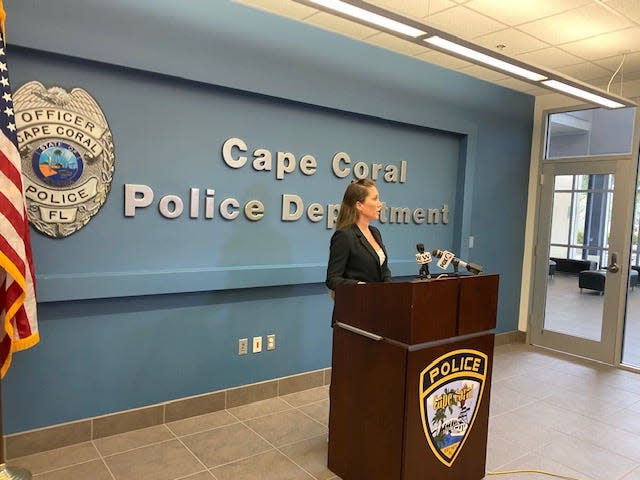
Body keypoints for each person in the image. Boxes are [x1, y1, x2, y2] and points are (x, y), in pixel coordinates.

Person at [326, 179, 392, 297]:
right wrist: (360, 286)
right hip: (356, 307)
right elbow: (333, 279)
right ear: (359, 205)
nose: (380, 203)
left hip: (378, 304)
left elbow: (383, 269)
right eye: (375, 199)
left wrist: (388, 288)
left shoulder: (375, 232)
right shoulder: (344, 236)